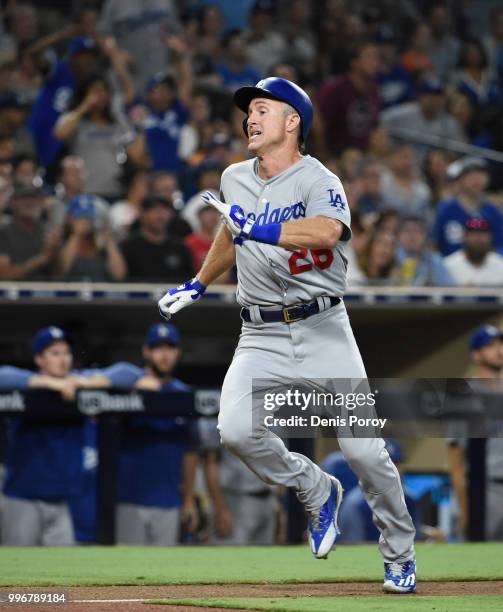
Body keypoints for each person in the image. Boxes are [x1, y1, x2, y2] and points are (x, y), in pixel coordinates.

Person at [158, 77, 416, 593]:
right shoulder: (234, 176)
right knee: (234, 431)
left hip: (324, 327)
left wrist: (258, 227)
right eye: (248, 111)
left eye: (261, 109)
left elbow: (326, 230)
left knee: (365, 451)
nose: (249, 118)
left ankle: (400, 554)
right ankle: (315, 486)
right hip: (259, 334)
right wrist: (199, 282)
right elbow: (230, 233)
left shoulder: (319, 179)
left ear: (292, 120)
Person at [0, 327, 112, 545]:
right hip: (23, 497)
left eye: (66, 352)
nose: (63, 359)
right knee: (17, 571)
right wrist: (50, 383)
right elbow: (2, 375)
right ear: (39, 359)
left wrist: (85, 383)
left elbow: (125, 373)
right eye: (55, 353)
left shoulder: (79, 384)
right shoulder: (26, 385)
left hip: (62, 501)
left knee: (63, 573)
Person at [448, 325, 503, 539]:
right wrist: (465, 509)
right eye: (490, 345)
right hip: (485, 490)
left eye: (500, 344)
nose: (499, 350)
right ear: (476, 355)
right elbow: (456, 463)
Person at [318, 41, 380, 154]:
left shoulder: (373, 90)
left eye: (376, 57)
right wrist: (324, 159)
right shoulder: (335, 88)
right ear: (354, 62)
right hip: (335, 154)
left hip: (362, 156)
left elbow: (374, 127)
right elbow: (319, 126)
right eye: (369, 56)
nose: (375, 62)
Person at [381, 78, 466, 161]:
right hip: (405, 164)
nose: (434, 100)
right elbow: (379, 127)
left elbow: (459, 151)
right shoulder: (401, 114)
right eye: (429, 95)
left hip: (434, 169)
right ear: (420, 97)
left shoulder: (450, 122)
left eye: (438, 96)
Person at [434, 157, 503, 256]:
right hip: (449, 266)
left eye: (481, 174)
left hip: (484, 266)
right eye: (471, 175)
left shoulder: (492, 211)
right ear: (461, 179)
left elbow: (499, 245)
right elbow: (434, 243)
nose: (477, 179)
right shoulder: (446, 209)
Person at [120, 195, 194, 282]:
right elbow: (119, 278)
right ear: (142, 214)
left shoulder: (180, 247)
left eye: (165, 210)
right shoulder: (128, 246)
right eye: (155, 210)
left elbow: (189, 281)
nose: (160, 216)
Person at [56, 195, 126, 282]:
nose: (85, 221)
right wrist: (76, 235)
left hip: (100, 292)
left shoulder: (101, 243)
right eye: (80, 217)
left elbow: (119, 275)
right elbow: (60, 271)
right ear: (70, 219)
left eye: (88, 217)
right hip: (71, 293)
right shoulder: (61, 241)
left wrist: (109, 240)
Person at [0, 183, 60, 280]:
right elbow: (3, 276)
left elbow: (61, 275)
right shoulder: (3, 233)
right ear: (12, 202)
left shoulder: (49, 232)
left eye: (35, 198)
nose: (30, 202)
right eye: (23, 198)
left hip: (47, 292)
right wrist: (42, 258)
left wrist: (54, 252)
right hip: (12, 293)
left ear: (42, 203)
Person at [443, 218, 503, 287]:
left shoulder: (501, 265)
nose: (477, 238)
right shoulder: (448, 266)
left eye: (482, 233)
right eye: (473, 233)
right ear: (464, 237)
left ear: (490, 237)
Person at [396, 216, 454, 287]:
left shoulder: (435, 260)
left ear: (425, 236)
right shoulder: (391, 258)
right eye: (407, 231)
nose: (412, 236)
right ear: (398, 236)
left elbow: (450, 289)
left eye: (417, 231)